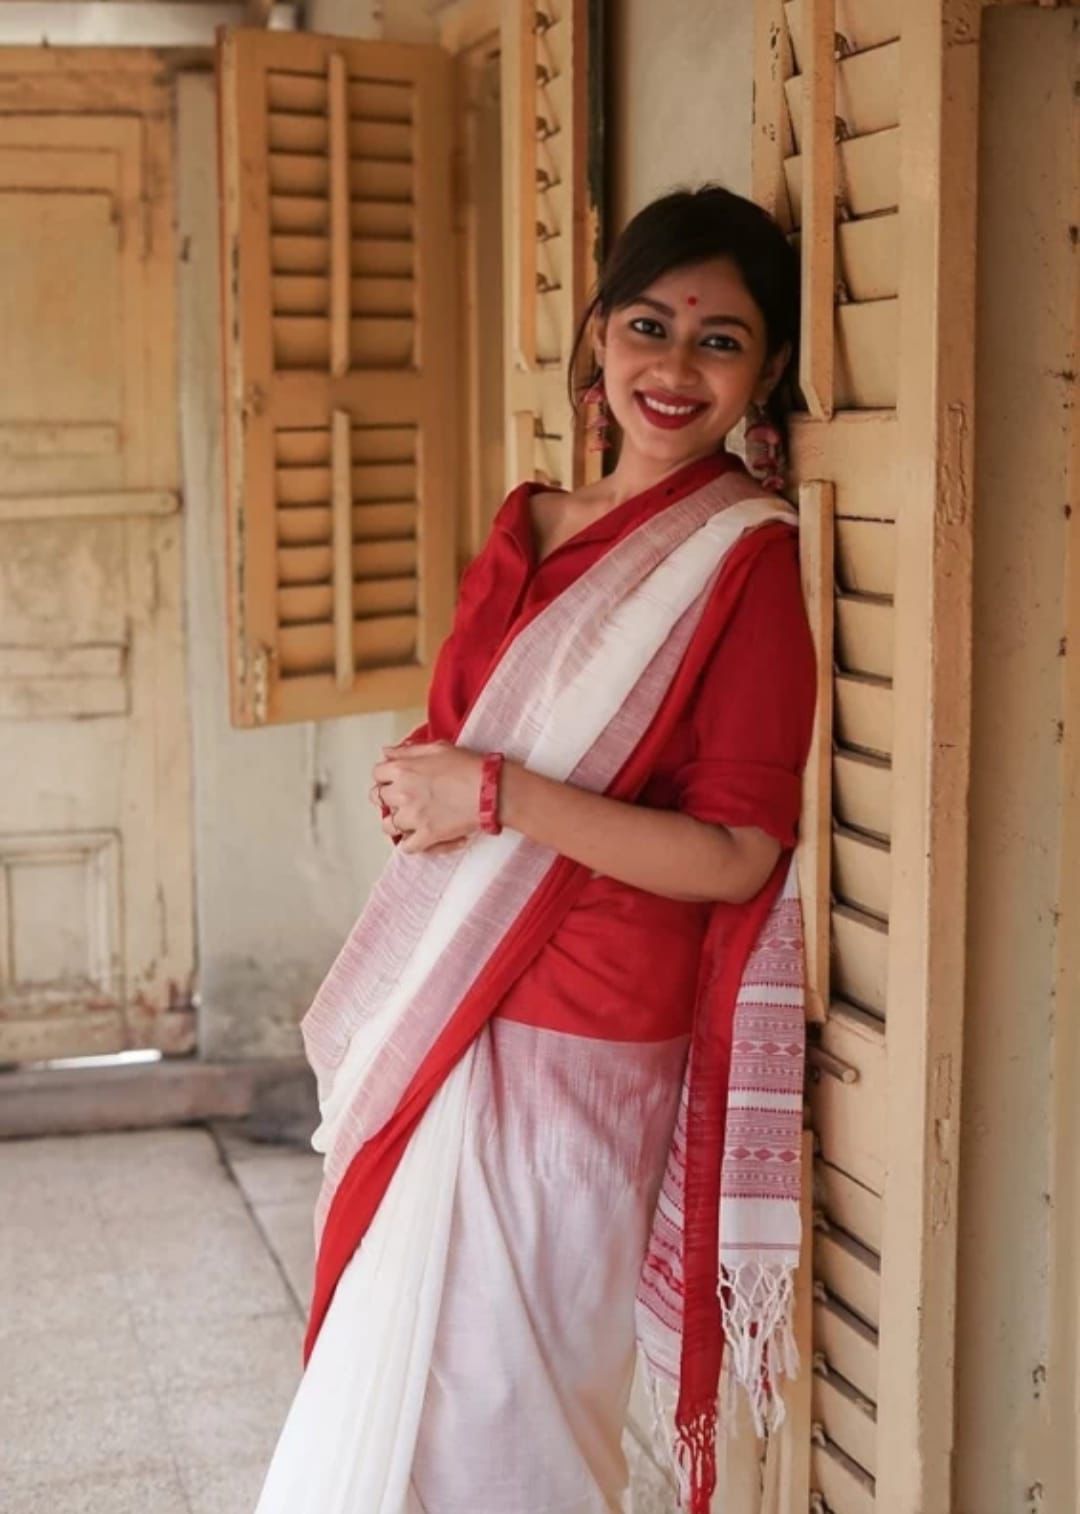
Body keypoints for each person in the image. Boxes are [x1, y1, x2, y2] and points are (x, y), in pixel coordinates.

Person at [254, 185, 816, 1514]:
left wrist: (494, 793)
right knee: (396, 1401)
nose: (675, 368)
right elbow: (473, 728)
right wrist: (429, 779)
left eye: (721, 339)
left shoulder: (744, 565)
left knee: (512, 1418)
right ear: (599, 338)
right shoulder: (529, 528)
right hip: (450, 995)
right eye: (648, 323)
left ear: (769, 368)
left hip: (587, 1031)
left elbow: (738, 852)